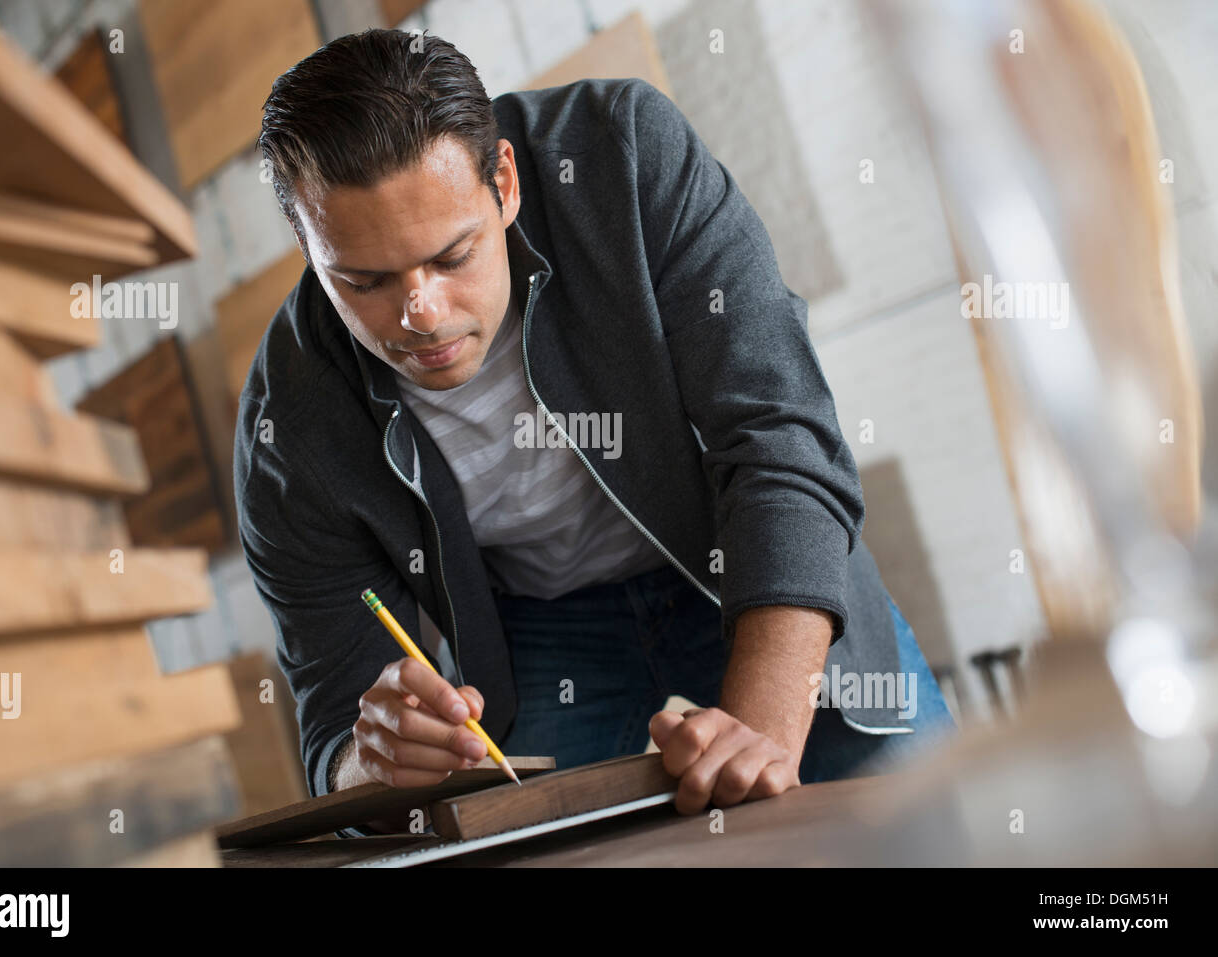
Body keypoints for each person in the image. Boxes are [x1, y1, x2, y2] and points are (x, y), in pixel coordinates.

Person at [236, 28, 955, 829]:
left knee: (926, 826)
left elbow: (781, 441)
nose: (421, 314)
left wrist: (759, 738)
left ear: (504, 182)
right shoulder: (285, 429)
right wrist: (369, 759)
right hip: (547, 628)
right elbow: (332, 723)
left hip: (740, 555)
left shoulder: (623, 153)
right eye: (364, 280)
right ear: (308, 243)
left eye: (453, 255)